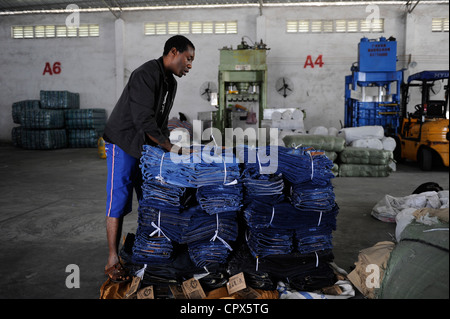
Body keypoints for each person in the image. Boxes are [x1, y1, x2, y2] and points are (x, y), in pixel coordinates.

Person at [102, 35, 195, 283]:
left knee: (152, 195)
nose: (189, 65)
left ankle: (149, 248)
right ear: (173, 52)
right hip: (122, 141)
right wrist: (170, 148)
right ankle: (112, 258)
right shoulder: (145, 74)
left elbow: (160, 122)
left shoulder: (171, 83)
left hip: (144, 145)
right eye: (188, 58)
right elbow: (143, 119)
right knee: (118, 198)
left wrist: (167, 152)